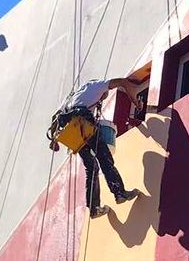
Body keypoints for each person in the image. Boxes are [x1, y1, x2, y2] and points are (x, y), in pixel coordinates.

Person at [49, 76, 144, 218]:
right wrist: (135, 100)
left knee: (91, 167)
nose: (103, 98)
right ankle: (119, 193)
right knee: (104, 157)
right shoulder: (96, 85)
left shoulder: (73, 97)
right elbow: (122, 82)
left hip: (73, 129)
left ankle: (94, 209)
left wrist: (54, 141)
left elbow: (55, 118)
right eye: (104, 96)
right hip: (82, 120)